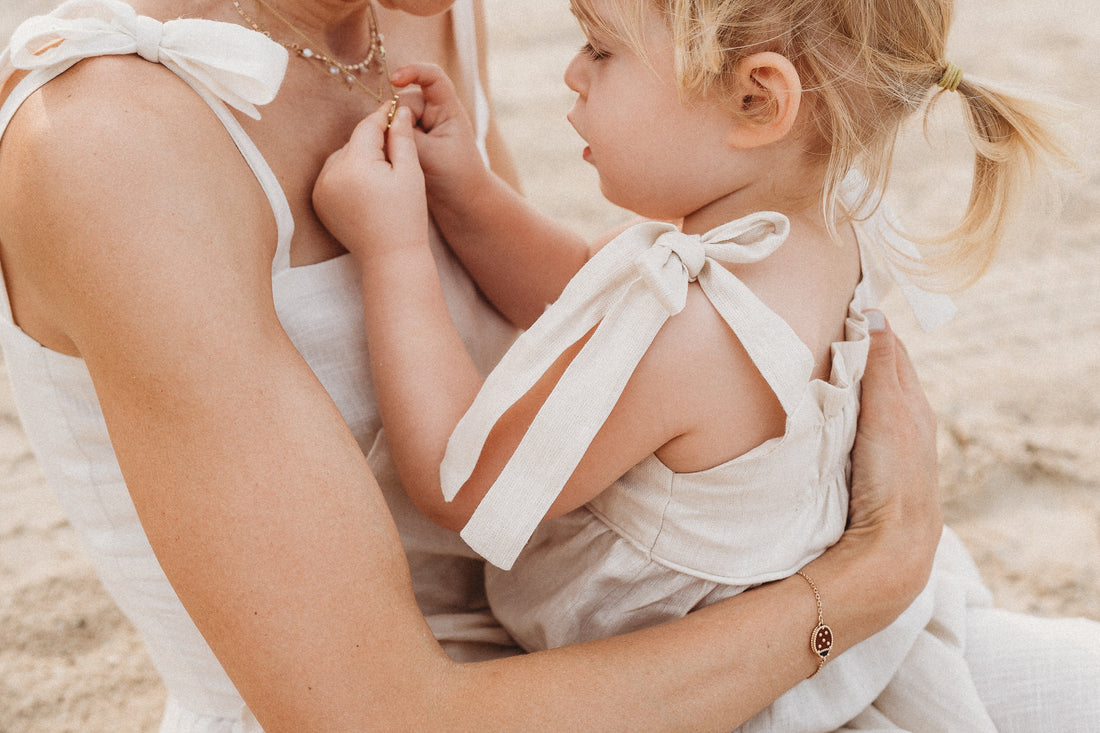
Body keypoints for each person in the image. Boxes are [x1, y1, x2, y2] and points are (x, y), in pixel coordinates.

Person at [0, 0, 952, 730]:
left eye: (600, 49)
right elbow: (379, 707)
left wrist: (457, 206)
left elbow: (577, 335)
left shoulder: (415, 17)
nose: (571, 74)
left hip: (705, 641)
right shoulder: (109, 137)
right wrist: (868, 580)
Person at [313, 0, 1100, 730]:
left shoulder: (692, 333)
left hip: (702, 693)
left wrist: (395, 250)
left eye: (602, 49)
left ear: (759, 100)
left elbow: (467, 481)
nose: (571, 72)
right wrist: (470, 196)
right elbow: (578, 295)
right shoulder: (811, 226)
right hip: (820, 637)